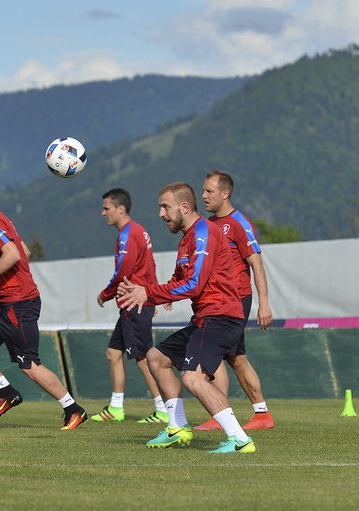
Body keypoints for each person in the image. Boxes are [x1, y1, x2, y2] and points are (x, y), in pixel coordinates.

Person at [117, 182, 255, 453]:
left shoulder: (204, 232)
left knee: (193, 378)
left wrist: (151, 293)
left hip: (221, 316)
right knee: (157, 359)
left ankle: (240, 439)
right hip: (206, 318)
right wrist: (153, 294)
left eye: (165, 207)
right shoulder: (186, 240)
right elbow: (179, 280)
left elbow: (194, 284)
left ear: (184, 207)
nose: (160, 214)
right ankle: (177, 426)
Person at [0, 170, 87, 430]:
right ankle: (6, 392)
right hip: (5, 302)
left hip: (19, 303)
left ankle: (73, 409)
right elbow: (23, 250)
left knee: (30, 365)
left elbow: (14, 254)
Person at [196, 170, 275, 430]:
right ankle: (261, 414)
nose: (204, 195)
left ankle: (221, 415)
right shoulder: (210, 224)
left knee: (215, 351)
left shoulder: (240, 222)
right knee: (236, 358)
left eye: (209, 191)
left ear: (225, 193)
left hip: (237, 300)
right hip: (217, 301)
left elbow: (256, 264)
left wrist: (264, 303)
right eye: (204, 190)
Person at [90, 188, 169, 424]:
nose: (103, 213)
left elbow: (123, 270)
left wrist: (106, 293)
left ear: (120, 209)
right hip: (136, 302)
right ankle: (116, 408)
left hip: (133, 303)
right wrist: (153, 296)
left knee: (144, 358)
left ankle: (163, 409)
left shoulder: (128, 233)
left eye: (106, 208)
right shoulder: (138, 231)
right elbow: (150, 266)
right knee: (113, 353)